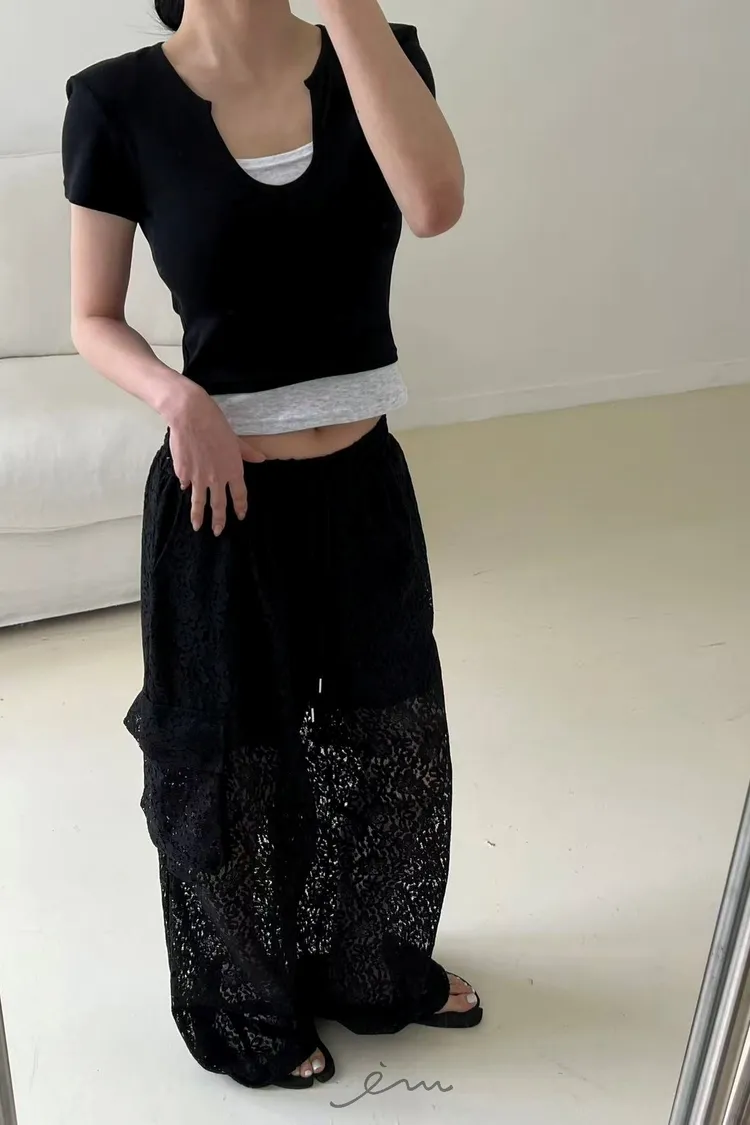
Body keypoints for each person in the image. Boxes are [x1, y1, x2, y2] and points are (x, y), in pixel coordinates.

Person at [62, 0, 481, 1092]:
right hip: (221, 499)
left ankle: (369, 964)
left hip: (363, 480)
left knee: (391, 734)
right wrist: (177, 396)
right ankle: (249, 1001)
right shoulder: (116, 101)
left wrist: (350, 11)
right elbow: (92, 316)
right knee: (230, 761)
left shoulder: (377, 51)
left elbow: (434, 206)